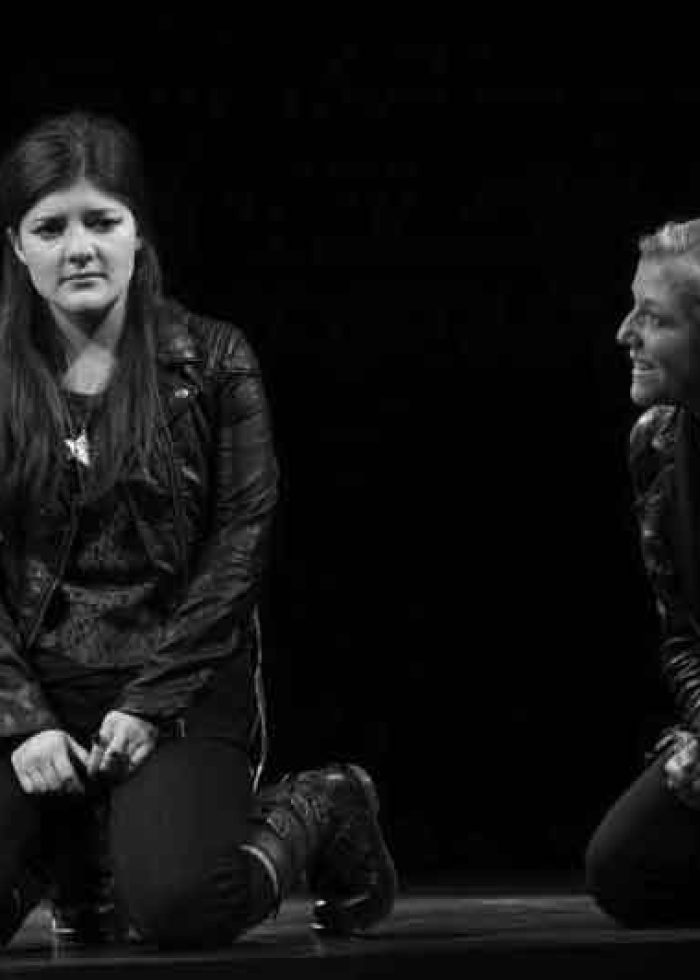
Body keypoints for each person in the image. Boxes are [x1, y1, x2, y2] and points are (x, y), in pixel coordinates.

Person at [0, 111, 397, 950]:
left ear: (137, 233)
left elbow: (240, 546)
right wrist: (23, 718)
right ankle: (81, 852)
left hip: (179, 682)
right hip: (34, 686)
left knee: (180, 906)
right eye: (52, 227)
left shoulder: (215, 361)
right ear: (17, 246)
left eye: (102, 222)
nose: (80, 247)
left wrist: (150, 700)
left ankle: (324, 804)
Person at [585, 217, 700, 926]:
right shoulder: (655, 442)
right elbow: (683, 635)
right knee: (622, 867)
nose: (625, 332)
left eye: (652, 318)